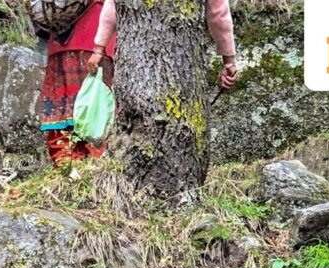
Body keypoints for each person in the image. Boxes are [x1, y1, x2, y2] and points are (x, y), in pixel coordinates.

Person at [38, 0, 239, 167]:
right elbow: (218, 13)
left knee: (64, 112)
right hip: (99, 42)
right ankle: (93, 175)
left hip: (61, 41)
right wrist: (228, 59)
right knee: (100, 114)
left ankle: (68, 173)